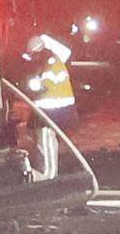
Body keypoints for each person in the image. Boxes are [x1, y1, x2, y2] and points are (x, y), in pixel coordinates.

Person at [18, 29, 80, 176]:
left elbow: (42, 86)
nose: (32, 59)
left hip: (51, 114)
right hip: (55, 113)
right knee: (45, 145)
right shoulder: (52, 61)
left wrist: (31, 84)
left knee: (47, 146)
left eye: (32, 55)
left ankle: (49, 178)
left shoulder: (50, 63)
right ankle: (47, 173)